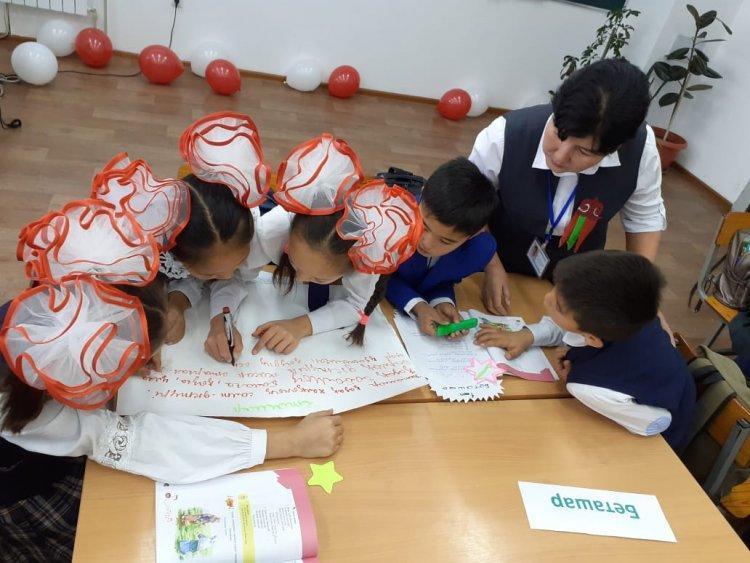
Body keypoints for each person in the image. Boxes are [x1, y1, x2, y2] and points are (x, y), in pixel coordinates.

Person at [469, 59, 665, 315]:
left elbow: (644, 218)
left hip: (577, 273)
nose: (560, 157)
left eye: (583, 151)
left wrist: (642, 295)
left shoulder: (641, 150)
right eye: (558, 134)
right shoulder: (505, 134)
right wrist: (491, 265)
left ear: (615, 148)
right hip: (496, 255)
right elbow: (467, 202)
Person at [91, 112, 272, 364]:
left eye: (239, 262)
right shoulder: (145, 252)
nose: (227, 276)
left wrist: (219, 315)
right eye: (211, 274)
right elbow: (191, 279)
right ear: (176, 258)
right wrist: (168, 311)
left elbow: (229, 278)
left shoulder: (245, 232)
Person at [474, 251, 695, 451]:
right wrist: (529, 334)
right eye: (555, 288)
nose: (546, 298)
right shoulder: (635, 310)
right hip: (674, 380)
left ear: (591, 339)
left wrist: (587, 389)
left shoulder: (584, 385)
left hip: (663, 435)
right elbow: (573, 326)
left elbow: (657, 422)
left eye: (557, 306)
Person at [242, 135, 422, 353]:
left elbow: (357, 305)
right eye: (294, 262)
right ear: (288, 238)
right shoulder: (272, 231)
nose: (300, 279)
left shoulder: (364, 254)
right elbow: (237, 274)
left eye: (319, 278)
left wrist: (301, 326)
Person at [386, 157, 498, 336]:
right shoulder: (392, 217)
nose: (426, 242)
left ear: (472, 235)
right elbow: (382, 276)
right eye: (424, 226)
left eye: (445, 241)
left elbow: (441, 279)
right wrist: (418, 306)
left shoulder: (478, 251)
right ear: (422, 195)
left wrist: (442, 302)